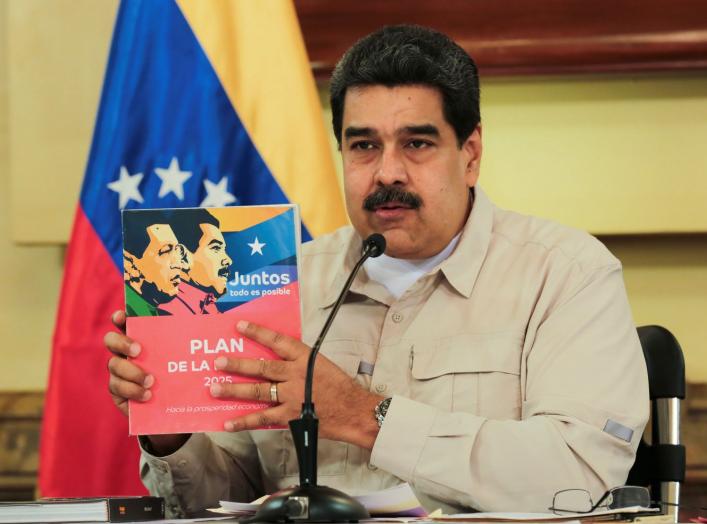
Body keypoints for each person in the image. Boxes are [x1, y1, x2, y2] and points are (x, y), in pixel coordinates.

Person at [105, 25, 648, 516]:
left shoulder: (566, 274)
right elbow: (223, 497)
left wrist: (366, 416)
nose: (388, 172)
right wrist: (171, 433)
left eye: (417, 143)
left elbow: (577, 478)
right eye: (363, 146)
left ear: (471, 152)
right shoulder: (279, 281)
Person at [160, 208, 233, 315]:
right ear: (183, 256)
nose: (229, 261)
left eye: (224, 250)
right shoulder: (166, 311)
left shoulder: (208, 306)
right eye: (216, 248)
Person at [122, 210, 190, 316]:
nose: (179, 264)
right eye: (166, 251)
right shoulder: (134, 313)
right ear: (132, 265)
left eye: (176, 249)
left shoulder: (152, 313)